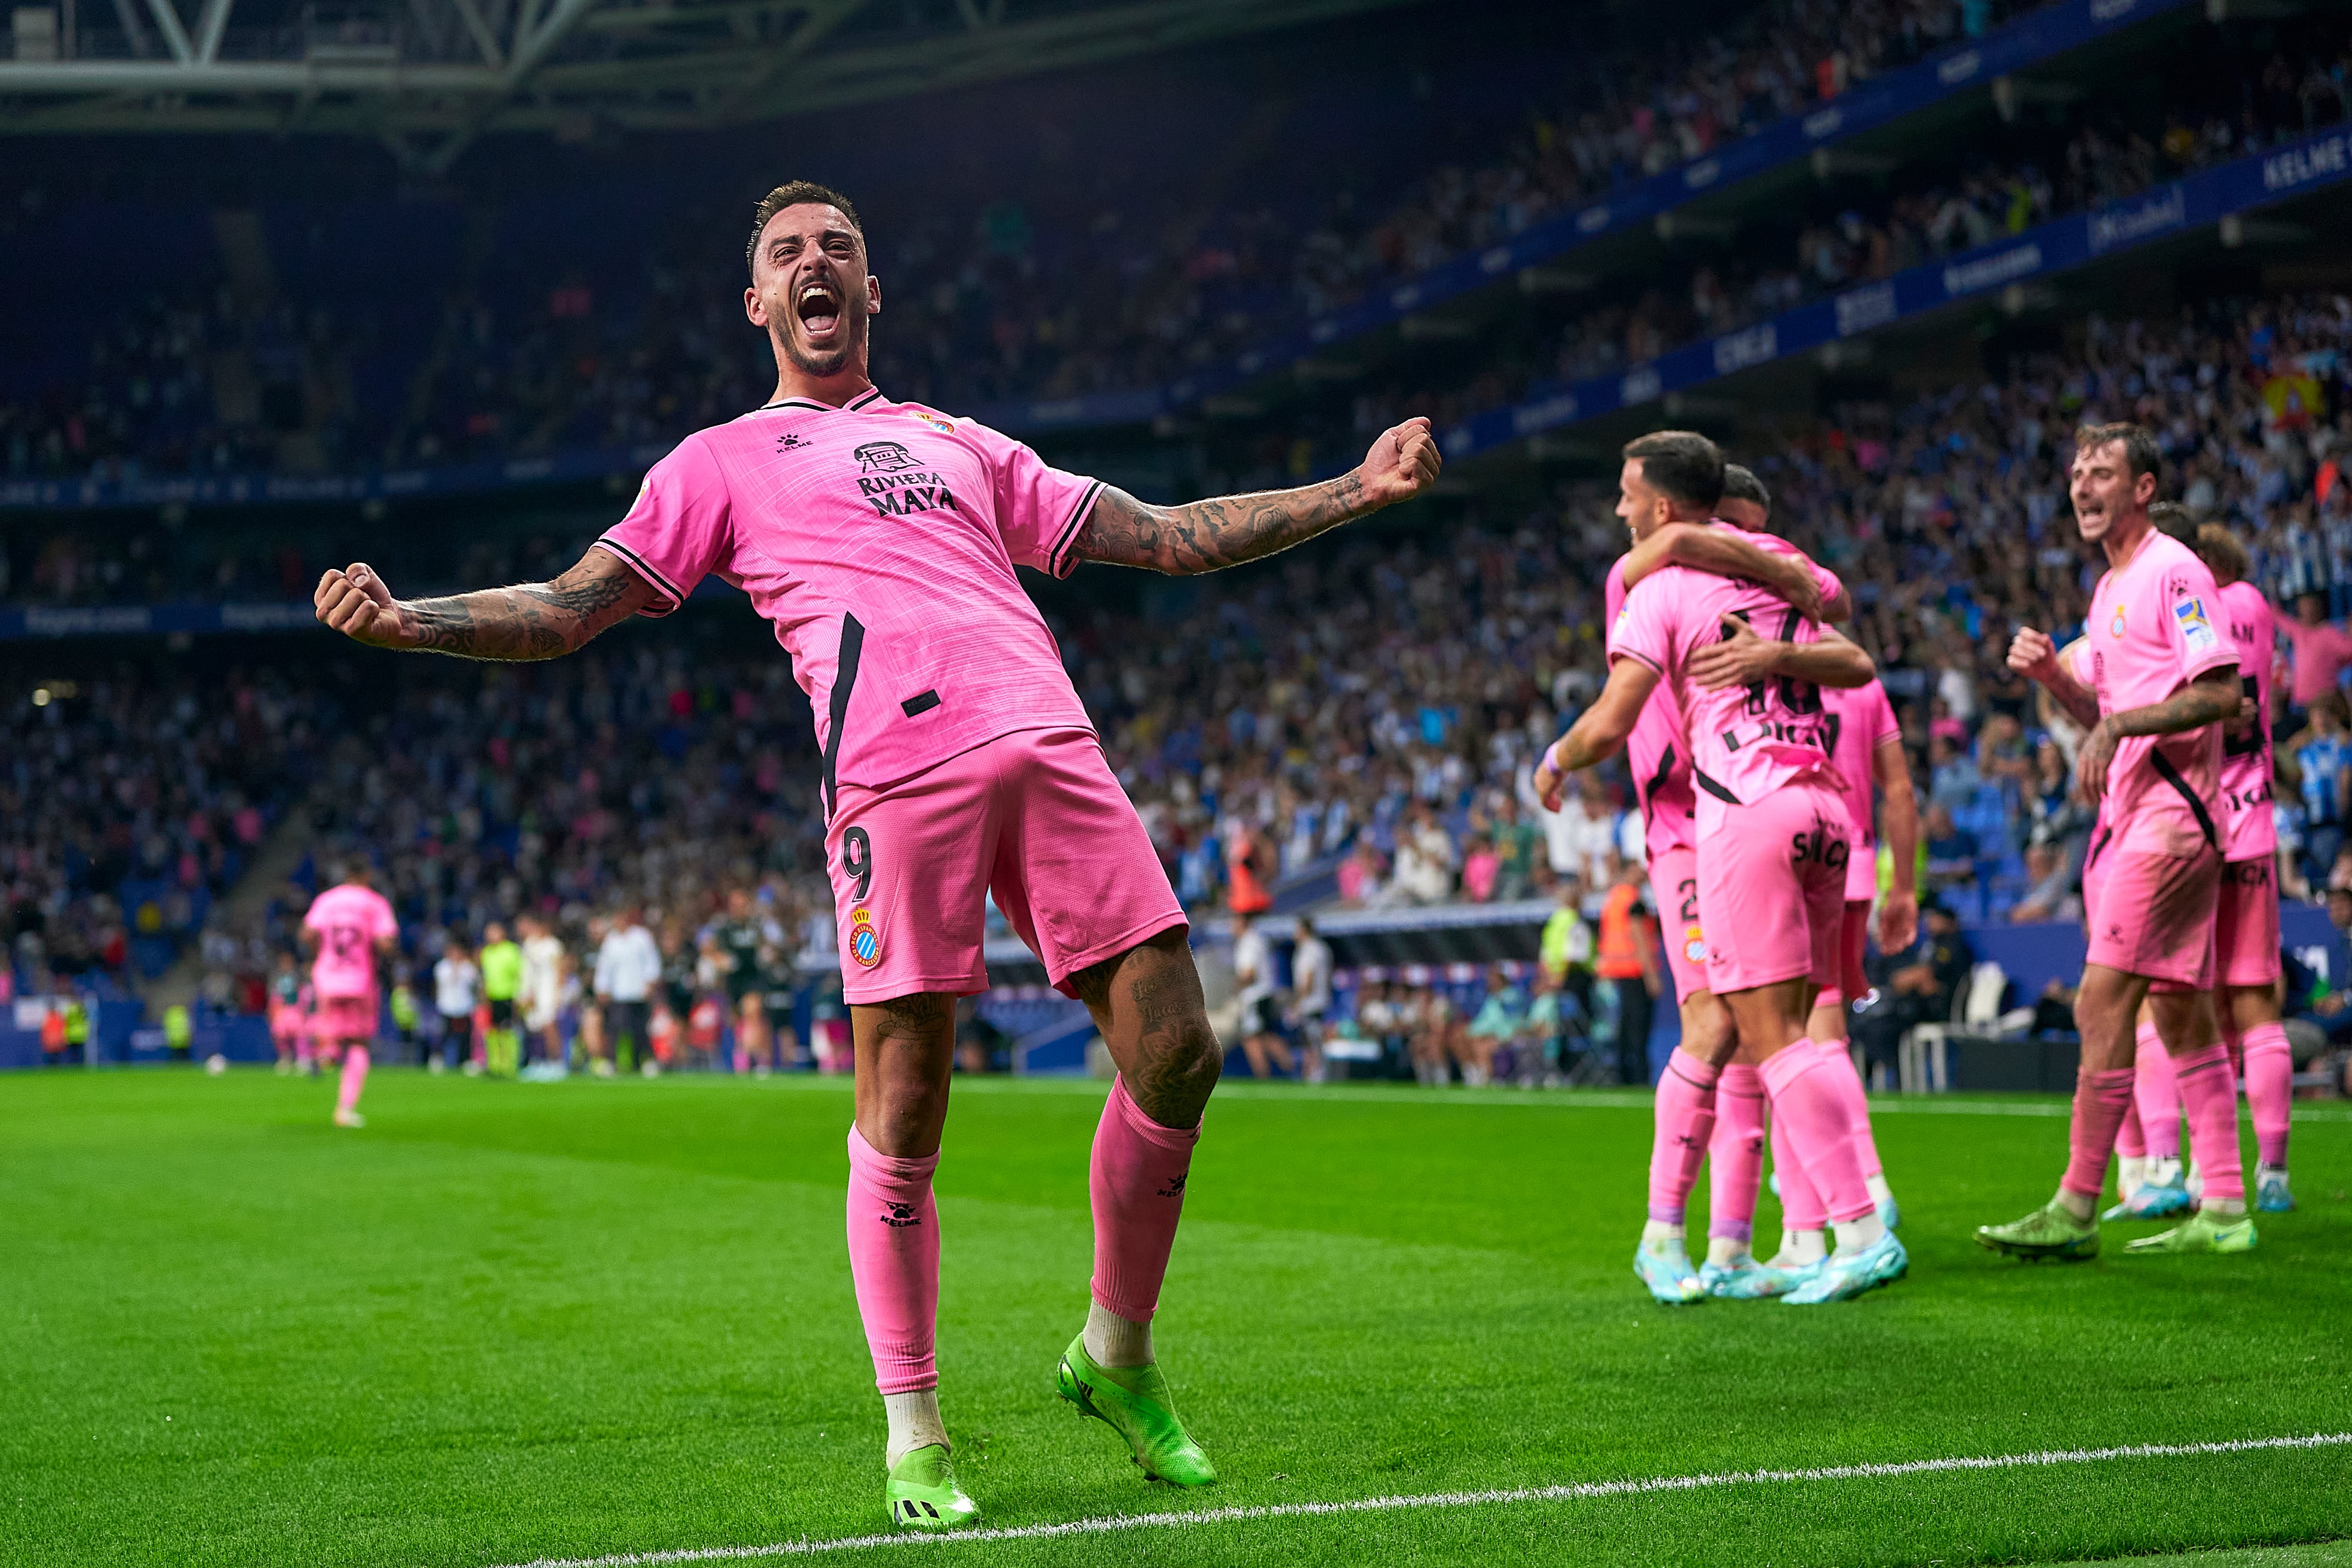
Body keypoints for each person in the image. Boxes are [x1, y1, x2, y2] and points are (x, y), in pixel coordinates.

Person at [311, 177, 1441, 1530]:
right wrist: (412, 621)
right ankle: (915, 1435)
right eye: (788, 253)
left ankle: (1114, 1357)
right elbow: (570, 609)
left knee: (1179, 1051)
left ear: (872, 288)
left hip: (1054, 747)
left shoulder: (960, 441)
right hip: (895, 783)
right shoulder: (717, 462)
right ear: (758, 303)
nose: (815, 264)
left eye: (837, 248)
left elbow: (1159, 534)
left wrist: (1356, 490)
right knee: (907, 1107)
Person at [1537, 429, 1900, 1306]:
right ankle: (1729, 1239)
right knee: (1745, 1026)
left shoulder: (1663, 581)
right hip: (1771, 813)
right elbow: (1840, 612)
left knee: (1752, 1029)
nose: (1619, 510)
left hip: (1733, 812)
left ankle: (1752, 1230)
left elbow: (1616, 713)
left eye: (1629, 495)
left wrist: (1554, 761)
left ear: (1663, 505)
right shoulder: (1763, 569)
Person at [1977, 423, 2253, 1261]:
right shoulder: (2109, 590)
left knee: (2100, 1001)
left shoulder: (2175, 568)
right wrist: (2055, 679)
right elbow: (2100, 717)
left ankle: (2076, 1204)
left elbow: (2222, 695)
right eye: (2076, 474)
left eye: (2102, 472)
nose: (2084, 486)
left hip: (2173, 820)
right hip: (2142, 815)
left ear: (2143, 487)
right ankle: (2229, 1206)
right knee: (2179, 1010)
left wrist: (2121, 724)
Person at [2194, 521, 2295, 1213]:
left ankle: (2209, 1173)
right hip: (2254, 817)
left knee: (2207, 1005)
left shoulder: (2204, 607)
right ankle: (2272, 1173)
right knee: (2253, 997)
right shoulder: (2258, 610)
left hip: (2198, 819)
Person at [302, 862, 399, 1129]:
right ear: (367, 876)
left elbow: (308, 932)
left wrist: (319, 955)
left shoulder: (327, 899)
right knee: (358, 1043)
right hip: (359, 980)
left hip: (327, 977)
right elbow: (385, 941)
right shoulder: (374, 902)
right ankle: (345, 1109)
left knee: (334, 1033)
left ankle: (326, 1054)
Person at [1593, 860, 1661, 1088]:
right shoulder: (1633, 901)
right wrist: (1651, 975)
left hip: (1614, 970)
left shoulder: (1613, 897)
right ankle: (1638, 1076)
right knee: (1638, 1026)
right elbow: (1639, 937)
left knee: (1623, 1025)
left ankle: (1621, 1073)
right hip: (1634, 970)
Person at [595, 906, 662, 1076]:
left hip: (639, 991)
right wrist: (602, 987)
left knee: (640, 1029)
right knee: (616, 1028)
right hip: (618, 993)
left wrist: (650, 982)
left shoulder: (642, 937)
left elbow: (651, 961)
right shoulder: (611, 941)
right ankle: (612, 1061)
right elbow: (605, 967)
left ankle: (645, 1061)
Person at [1231, 912, 1294, 1079]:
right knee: (1265, 1036)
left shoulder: (1248, 942)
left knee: (1251, 1038)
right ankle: (1289, 1067)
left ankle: (1264, 1075)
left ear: (1242, 922)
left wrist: (1234, 988)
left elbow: (1249, 974)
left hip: (1255, 997)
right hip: (1263, 995)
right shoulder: (1258, 939)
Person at [1288, 915, 1334, 1084]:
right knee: (1313, 1040)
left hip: (1311, 1003)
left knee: (1311, 1041)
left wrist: (1296, 1004)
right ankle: (1315, 1072)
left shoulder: (1309, 950)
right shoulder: (1321, 948)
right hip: (1320, 1000)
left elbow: (1307, 980)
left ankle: (1316, 1075)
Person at [520, 915, 567, 1070]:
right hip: (534, 991)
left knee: (549, 1026)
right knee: (534, 1027)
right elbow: (527, 971)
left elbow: (559, 970)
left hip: (549, 989)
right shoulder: (529, 945)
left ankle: (557, 1061)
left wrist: (558, 992)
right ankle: (538, 1060)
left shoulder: (553, 946)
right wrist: (527, 992)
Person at [478, 921, 524, 1078]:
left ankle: (509, 1065)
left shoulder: (511, 951)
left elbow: (519, 974)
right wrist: (484, 995)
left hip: (508, 995)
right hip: (492, 996)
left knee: (507, 1030)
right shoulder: (487, 953)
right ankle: (495, 1064)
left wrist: (520, 995)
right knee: (493, 1030)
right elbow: (485, 976)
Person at [432, 935, 479, 1075]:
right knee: (445, 1035)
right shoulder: (442, 967)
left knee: (465, 1036)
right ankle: (438, 1059)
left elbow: (473, 982)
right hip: (447, 1006)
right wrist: (455, 967)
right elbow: (446, 981)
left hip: (464, 1006)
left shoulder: (468, 967)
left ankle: (465, 1061)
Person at [268, 950, 307, 1075]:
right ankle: (285, 1058)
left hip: (295, 1009)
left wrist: (302, 1009)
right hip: (282, 1010)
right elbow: (275, 995)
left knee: (300, 1035)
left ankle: (302, 1058)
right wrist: (273, 1010)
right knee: (280, 1036)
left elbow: (302, 993)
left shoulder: (297, 977)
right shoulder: (277, 978)